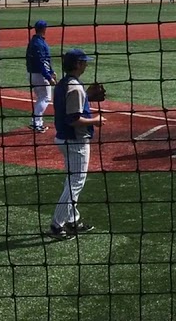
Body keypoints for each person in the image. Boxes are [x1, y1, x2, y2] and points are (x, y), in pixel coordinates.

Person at [49, 49, 103, 239]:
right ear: (78, 64)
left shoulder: (63, 84)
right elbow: (74, 119)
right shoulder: (75, 88)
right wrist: (96, 120)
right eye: (84, 62)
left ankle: (72, 220)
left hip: (64, 138)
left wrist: (87, 96)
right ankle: (57, 225)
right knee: (75, 183)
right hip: (75, 140)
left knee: (71, 181)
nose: (86, 65)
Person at [25, 20, 55, 133]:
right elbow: (41, 62)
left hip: (32, 73)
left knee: (41, 97)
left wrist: (51, 71)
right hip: (39, 75)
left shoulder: (34, 41)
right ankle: (36, 124)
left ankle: (37, 122)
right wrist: (48, 77)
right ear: (44, 29)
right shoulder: (39, 43)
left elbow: (45, 60)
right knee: (46, 98)